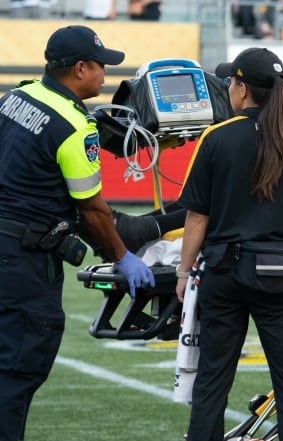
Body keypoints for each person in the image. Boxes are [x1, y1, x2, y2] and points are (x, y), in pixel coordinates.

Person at [0, 25, 155, 441]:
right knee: (17, 371)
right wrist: (121, 254)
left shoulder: (16, 95)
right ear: (81, 67)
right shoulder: (75, 125)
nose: (105, 75)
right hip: (25, 262)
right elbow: (91, 209)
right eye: (101, 66)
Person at [174, 47, 283, 441]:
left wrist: (183, 271)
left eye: (231, 81)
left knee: (213, 378)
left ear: (242, 88)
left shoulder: (217, 137)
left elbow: (197, 216)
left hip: (225, 272)